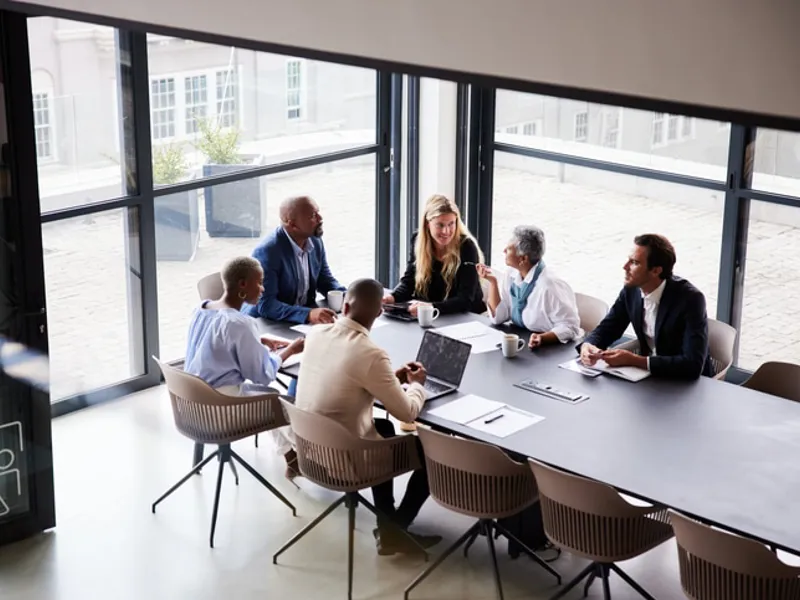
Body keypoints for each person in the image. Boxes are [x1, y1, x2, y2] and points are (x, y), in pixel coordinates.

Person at [296, 278, 442, 555]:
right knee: (428, 451)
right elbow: (408, 412)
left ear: (345, 305)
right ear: (378, 313)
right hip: (344, 459)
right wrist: (418, 384)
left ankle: (387, 525)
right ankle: (395, 529)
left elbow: (344, 381)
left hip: (309, 450)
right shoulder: (370, 354)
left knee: (384, 426)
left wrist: (388, 380)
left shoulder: (315, 334)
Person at [185, 256, 305, 475]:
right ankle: (312, 462)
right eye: (258, 282)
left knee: (270, 397)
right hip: (219, 408)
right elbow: (263, 374)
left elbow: (212, 342)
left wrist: (257, 341)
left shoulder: (201, 309)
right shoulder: (239, 323)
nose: (262, 289)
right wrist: (290, 350)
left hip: (190, 403)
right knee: (283, 404)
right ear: (242, 285)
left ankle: (292, 458)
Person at [579, 234, 712, 380]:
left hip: (684, 382)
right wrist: (588, 345)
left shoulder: (690, 299)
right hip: (646, 377)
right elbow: (608, 328)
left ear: (656, 270)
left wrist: (634, 360)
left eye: (634, 262)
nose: (625, 267)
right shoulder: (631, 290)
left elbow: (692, 365)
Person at [476, 225, 581, 348]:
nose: (504, 250)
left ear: (523, 259)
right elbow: (498, 318)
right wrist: (493, 282)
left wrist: (543, 338)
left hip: (549, 349)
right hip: (522, 341)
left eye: (509, 249)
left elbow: (571, 327)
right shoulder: (511, 274)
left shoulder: (550, 286)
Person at [246, 195, 344, 325]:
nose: (320, 219)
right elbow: (266, 305)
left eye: (318, 212)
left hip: (302, 322)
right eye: (313, 216)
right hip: (269, 324)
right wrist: (308, 314)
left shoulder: (314, 240)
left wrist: (351, 297)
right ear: (292, 224)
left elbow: (325, 280)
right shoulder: (268, 252)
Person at [383, 194, 485, 316]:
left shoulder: (466, 247)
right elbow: (409, 282)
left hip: (464, 317)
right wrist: (392, 297)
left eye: (451, 224)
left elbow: (466, 299)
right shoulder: (417, 241)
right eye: (440, 225)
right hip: (431, 314)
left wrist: (431, 307)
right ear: (427, 224)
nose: (446, 231)